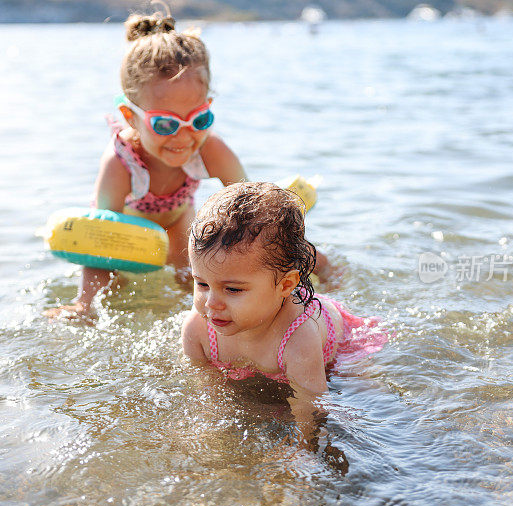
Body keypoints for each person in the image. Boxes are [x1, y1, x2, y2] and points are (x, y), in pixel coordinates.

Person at [46, 10, 246, 319]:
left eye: (199, 119)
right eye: (165, 124)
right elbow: (99, 240)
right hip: (125, 232)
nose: (183, 136)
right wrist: (84, 305)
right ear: (131, 117)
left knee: (188, 282)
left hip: (179, 221)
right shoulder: (120, 162)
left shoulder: (209, 147)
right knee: (113, 288)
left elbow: (248, 203)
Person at [181, 182, 388, 406]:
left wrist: (303, 441)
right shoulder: (198, 330)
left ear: (286, 285)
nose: (212, 303)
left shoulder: (299, 338)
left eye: (233, 289)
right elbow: (208, 395)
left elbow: (312, 409)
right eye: (202, 284)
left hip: (337, 343)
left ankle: (326, 268)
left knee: (364, 396)